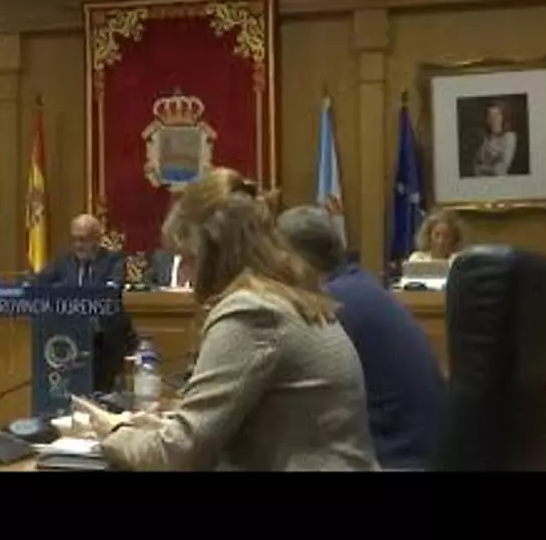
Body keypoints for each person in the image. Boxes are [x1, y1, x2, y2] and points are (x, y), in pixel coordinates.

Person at [71, 168, 378, 471]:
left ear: (212, 253)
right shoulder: (287, 295)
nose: (187, 278)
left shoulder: (252, 311)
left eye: (188, 259)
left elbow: (179, 456)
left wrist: (114, 432)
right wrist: (161, 428)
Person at [278, 205, 446, 469]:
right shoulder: (359, 286)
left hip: (395, 459)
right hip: (424, 453)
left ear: (294, 261)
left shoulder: (331, 305)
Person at [33, 213, 137, 392]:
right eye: (74, 239)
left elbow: (110, 294)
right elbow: (37, 284)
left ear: (97, 239)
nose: (77, 245)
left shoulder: (113, 260)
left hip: (105, 341)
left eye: (83, 240)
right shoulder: (63, 262)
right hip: (67, 335)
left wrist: (66, 292)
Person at [473, 101, 517, 177]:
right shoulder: (484, 140)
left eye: (497, 115)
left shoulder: (510, 137)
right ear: (487, 120)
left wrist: (482, 168)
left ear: (502, 117)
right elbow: (475, 170)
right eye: (490, 116)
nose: (494, 119)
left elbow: (500, 170)